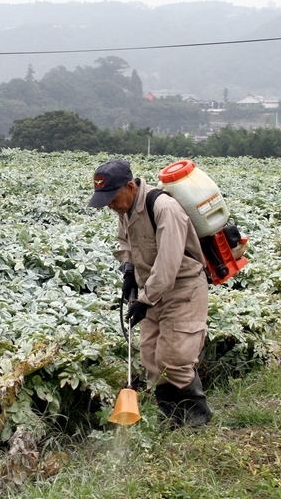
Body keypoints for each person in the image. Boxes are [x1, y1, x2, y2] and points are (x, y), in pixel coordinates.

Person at [87, 159, 213, 428]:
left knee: (175, 359)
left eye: (112, 198)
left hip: (183, 290)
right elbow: (125, 242)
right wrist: (129, 271)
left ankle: (198, 420)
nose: (110, 205)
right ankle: (172, 420)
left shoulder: (164, 208)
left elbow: (168, 264)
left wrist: (144, 301)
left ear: (130, 186)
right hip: (152, 291)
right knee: (152, 359)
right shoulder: (125, 209)